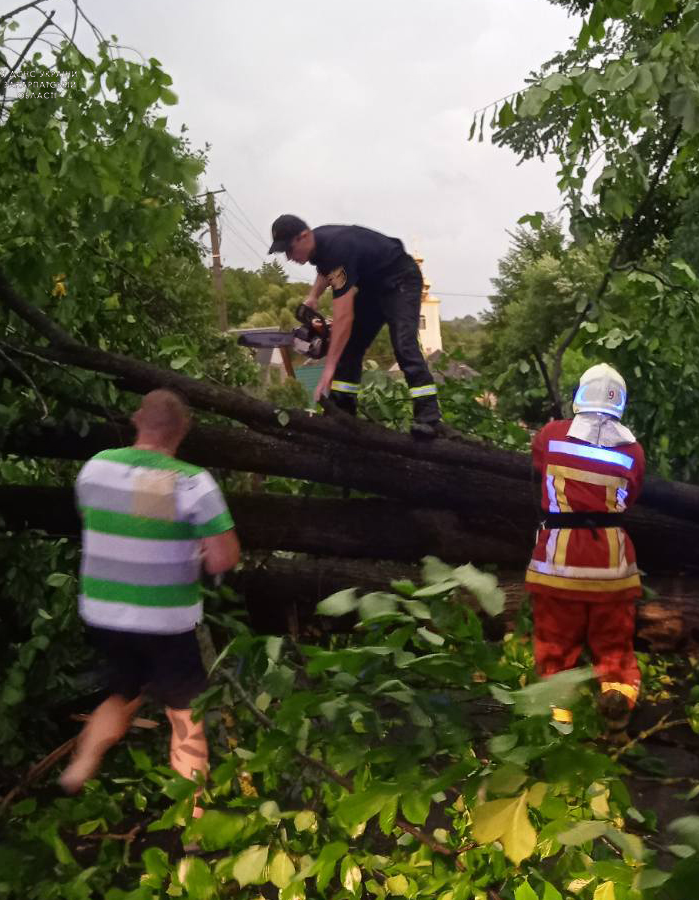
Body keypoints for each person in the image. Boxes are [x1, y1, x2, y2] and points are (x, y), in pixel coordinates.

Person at [59, 390, 240, 797]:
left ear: (137, 419)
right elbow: (223, 559)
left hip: (105, 614)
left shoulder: (97, 468)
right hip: (165, 621)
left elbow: (123, 521)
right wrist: (201, 551)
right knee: (185, 715)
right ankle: (192, 816)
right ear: (183, 431)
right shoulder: (190, 482)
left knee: (121, 694)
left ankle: (82, 763)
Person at [525, 364, 646, 741]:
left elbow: (538, 467)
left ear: (580, 395)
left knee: (555, 644)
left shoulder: (551, 435)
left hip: (558, 564)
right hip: (611, 565)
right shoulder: (633, 452)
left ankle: (560, 723)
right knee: (615, 645)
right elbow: (632, 496)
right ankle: (617, 708)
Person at [268, 214, 442, 437]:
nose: (289, 257)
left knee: (403, 344)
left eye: (290, 250)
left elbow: (344, 318)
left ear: (303, 236)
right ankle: (343, 408)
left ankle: (428, 416)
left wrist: (328, 369)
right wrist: (313, 297)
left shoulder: (337, 247)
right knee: (350, 346)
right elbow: (326, 271)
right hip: (373, 288)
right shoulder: (320, 246)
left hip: (401, 280)